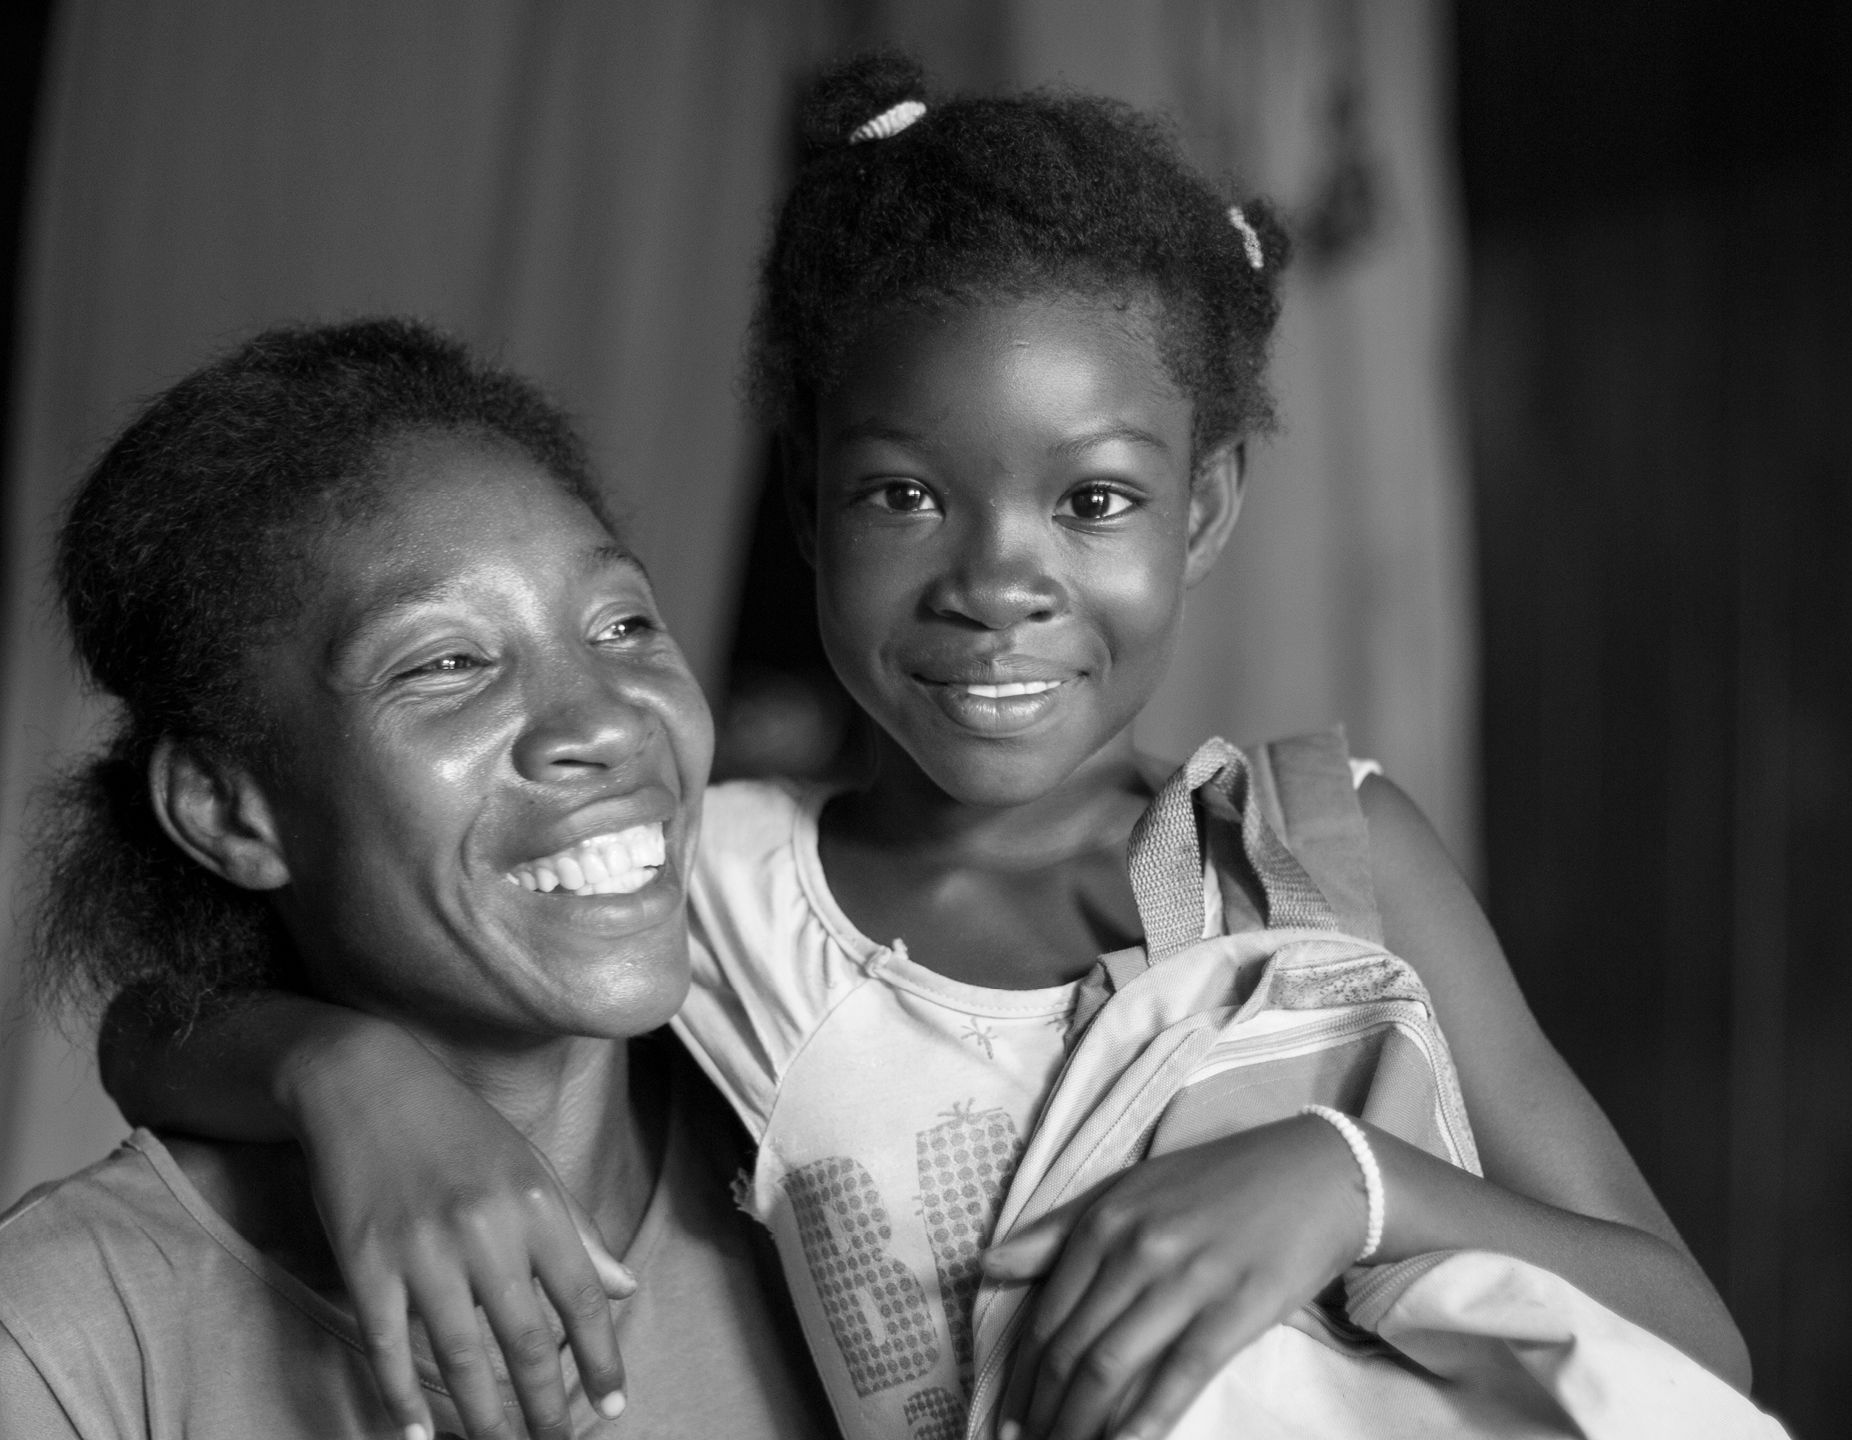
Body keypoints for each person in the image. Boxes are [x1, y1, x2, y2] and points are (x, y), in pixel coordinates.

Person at [101, 53, 1753, 1440]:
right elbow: (151, 1034)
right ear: (808, 494)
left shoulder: (1323, 853)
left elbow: (1697, 1348)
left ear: (1207, 508)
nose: (995, 586)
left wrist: (1350, 1179)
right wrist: (352, 1076)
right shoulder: (727, 903)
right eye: (904, 495)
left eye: (1095, 500)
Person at [0, 320, 833, 1440]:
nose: (603, 722)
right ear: (228, 810)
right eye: (447, 663)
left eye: (624, 622)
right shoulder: (66, 1334)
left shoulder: (825, 1177)